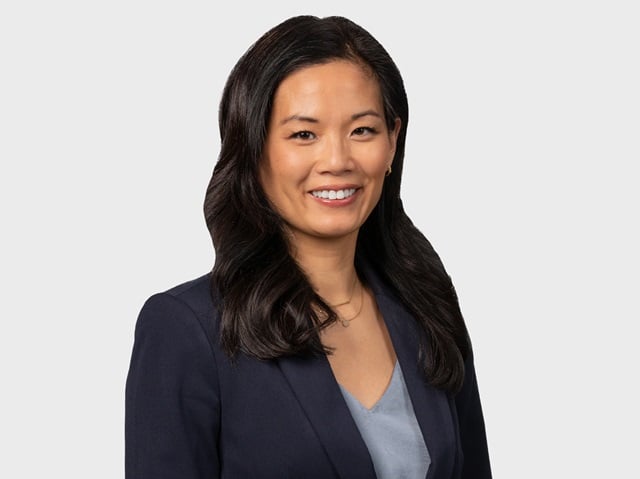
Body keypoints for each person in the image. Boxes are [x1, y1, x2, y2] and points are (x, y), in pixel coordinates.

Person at [125, 15, 492, 479]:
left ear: (392, 142)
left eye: (362, 130)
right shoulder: (187, 330)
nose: (337, 160)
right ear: (253, 147)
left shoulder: (427, 306)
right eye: (304, 134)